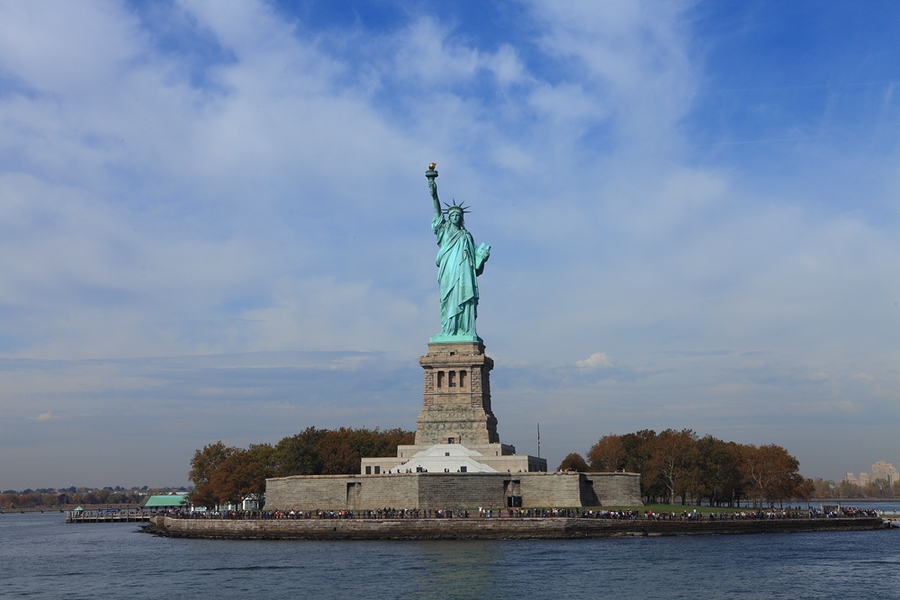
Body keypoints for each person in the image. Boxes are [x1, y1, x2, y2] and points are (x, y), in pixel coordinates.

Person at [428, 168, 490, 340]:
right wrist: (433, 190)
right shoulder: (444, 229)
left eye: (458, 215)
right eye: (452, 215)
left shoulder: (467, 236)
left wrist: (482, 258)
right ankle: (448, 331)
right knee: (448, 300)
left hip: (464, 274)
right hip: (449, 271)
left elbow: (476, 266)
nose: (455, 217)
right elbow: (436, 210)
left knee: (465, 299)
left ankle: (466, 329)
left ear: (461, 218)